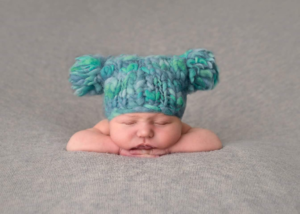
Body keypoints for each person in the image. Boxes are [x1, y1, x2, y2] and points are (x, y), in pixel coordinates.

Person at [66, 48, 222, 158]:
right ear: (112, 119)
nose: (145, 132)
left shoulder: (180, 130)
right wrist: (117, 148)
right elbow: (76, 142)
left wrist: (171, 147)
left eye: (162, 123)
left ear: (177, 120)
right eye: (129, 123)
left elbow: (211, 140)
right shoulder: (107, 127)